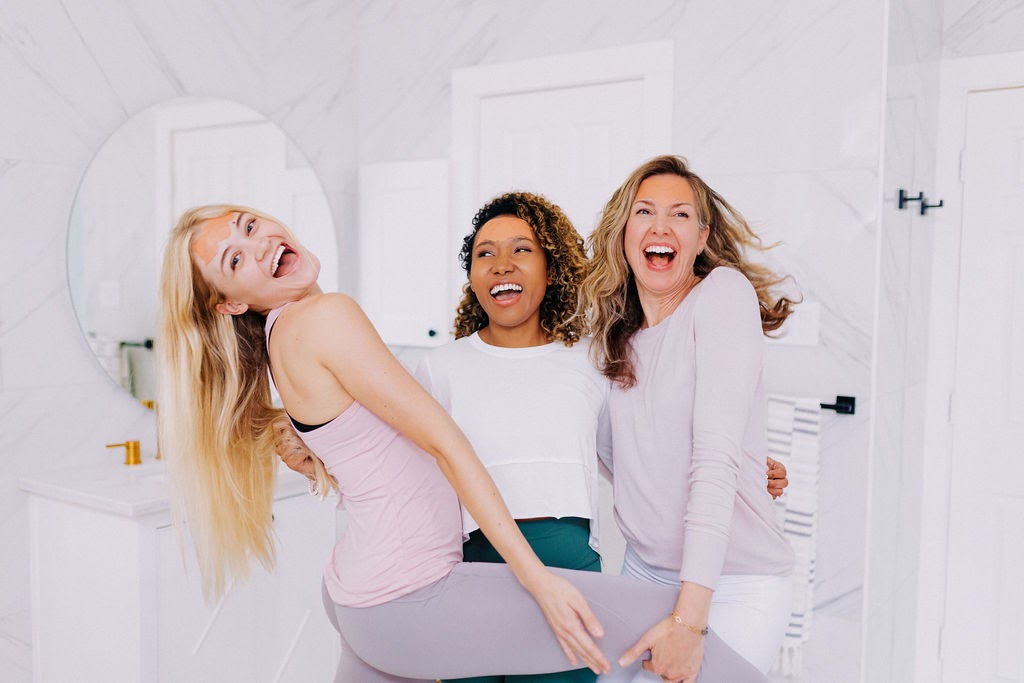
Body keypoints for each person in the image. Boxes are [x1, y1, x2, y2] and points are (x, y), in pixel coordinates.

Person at [158, 204, 767, 683]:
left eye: (249, 225)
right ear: (230, 303)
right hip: (408, 594)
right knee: (673, 626)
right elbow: (447, 445)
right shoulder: (324, 317)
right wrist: (539, 582)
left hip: (361, 593)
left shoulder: (282, 335)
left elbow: (371, 450)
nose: (258, 243)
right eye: (235, 259)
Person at [580, 155, 799, 682]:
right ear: (623, 232)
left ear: (701, 237)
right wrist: (748, 466)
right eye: (644, 211)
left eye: (679, 214)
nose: (660, 227)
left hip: (732, 585)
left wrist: (689, 622)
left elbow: (714, 459)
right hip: (643, 572)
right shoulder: (615, 338)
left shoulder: (721, 295)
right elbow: (621, 459)